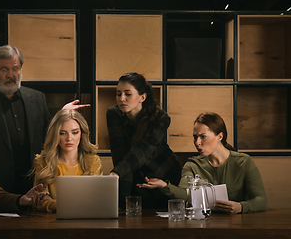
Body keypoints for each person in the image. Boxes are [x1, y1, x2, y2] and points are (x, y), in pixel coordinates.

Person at [0, 45, 89, 195]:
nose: (11, 75)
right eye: (4, 70)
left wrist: (62, 114)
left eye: (15, 69)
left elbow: (48, 136)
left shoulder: (37, 98)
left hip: (34, 181)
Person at [137, 112, 267, 214]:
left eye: (203, 136)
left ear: (220, 136)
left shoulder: (244, 162)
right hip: (201, 225)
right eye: (195, 136)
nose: (197, 142)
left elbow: (261, 200)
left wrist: (241, 207)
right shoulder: (192, 165)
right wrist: (164, 185)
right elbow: (185, 194)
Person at [106, 72, 182, 209]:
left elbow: (142, 150)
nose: (122, 98)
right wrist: (121, 203)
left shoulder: (160, 118)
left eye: (127, 94)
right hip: (136, 178)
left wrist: (116, 173)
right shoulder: (114, 114)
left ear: (142, 97)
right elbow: (120, 154)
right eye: (118, 94)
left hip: (165, 175)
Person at [30, 109, 103, 212]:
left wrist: (60, 204)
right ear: (55, 134)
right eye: (63, 133)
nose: (69, 138)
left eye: (75, 132)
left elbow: (98, 199)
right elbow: (39, 202)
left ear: (81, 134)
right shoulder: (43, 162)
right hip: (53, 222)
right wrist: (62, 206)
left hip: (87, 219)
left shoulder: (93, 161)